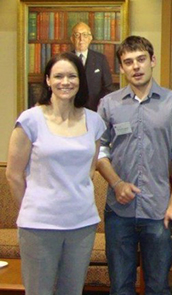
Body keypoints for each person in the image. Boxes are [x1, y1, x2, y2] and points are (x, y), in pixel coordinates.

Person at [96, 35, 172, 294]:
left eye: (141, 60)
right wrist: (116, 183)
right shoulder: (109, 104)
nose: (136, 67)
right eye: (128, 62)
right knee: (120, 287)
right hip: (119, 211)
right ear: (121, 67)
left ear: (152, 61)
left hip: (159, 210)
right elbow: (99, 151)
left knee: (159, 286)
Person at [6, 52, 106, 294]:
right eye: (58, 76)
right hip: (39, 225)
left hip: (82, 224)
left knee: (72, 291)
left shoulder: (93, 121)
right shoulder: (30, 120)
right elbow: (13, 174)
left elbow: (90, 168)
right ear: (48, 80)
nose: (65, 82)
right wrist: (33, 207)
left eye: (72, 76)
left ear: (80, 81)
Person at [70, 22, 114, 111]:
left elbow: (108, 88)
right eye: (77, 35)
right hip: (71, 110)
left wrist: (99, 107)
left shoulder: (100, 59)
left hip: (95, 110)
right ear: (72, 39)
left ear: (90, 38)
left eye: (85, 35)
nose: (81, 39)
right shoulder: (66, 59)